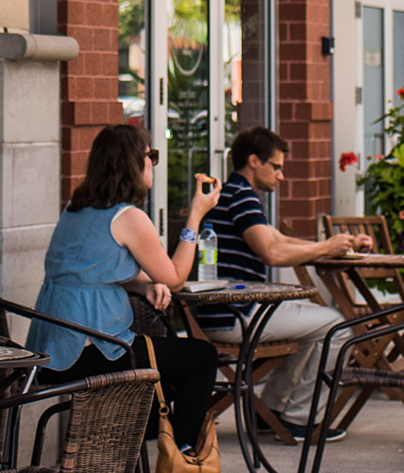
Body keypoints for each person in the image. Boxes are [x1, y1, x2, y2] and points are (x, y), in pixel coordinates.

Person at [28, 123, 220, 452]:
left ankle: (134, 455)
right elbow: (175, 277)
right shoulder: (129, 217)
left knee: (169, 362)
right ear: (133, 162)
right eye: (151, 156)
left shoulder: (76, 207)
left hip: (52, 348)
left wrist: (143, 286)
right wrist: (195, 217)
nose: (153, 165)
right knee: (201, 357)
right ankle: (181, 456)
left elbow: (88, 273)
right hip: (94, 349)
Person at [200, 126, 360, 438]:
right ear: (254, 161)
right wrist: (326, 247)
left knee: (311, 328)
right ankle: (301, 419)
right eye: (277, 167)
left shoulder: (232, 193)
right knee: (337, 326)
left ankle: (269, 411)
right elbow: (272, 253)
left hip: (220, 311)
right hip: (232, 316)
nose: (281, 176)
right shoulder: (243, 197)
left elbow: (280, 239)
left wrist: (338, 245)